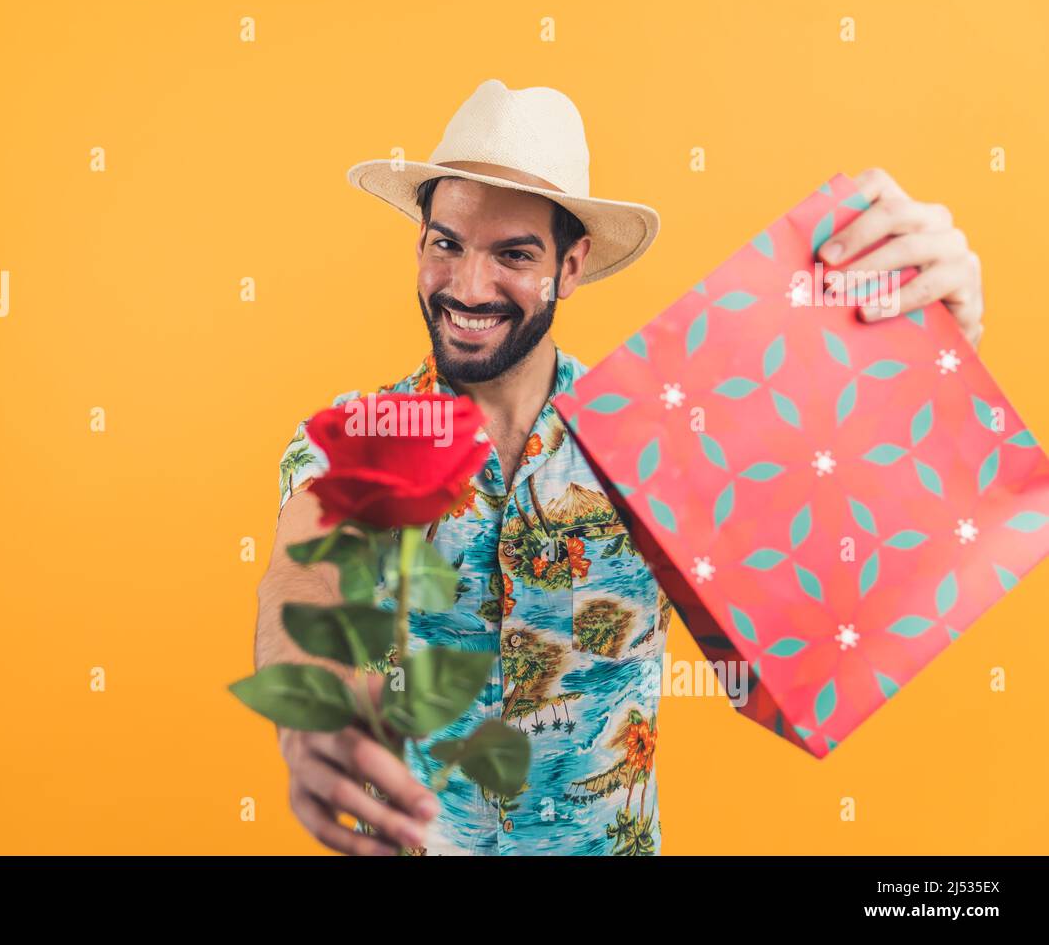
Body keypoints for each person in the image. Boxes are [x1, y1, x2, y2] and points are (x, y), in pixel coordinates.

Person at [255, 79, 986, 856]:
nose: (469, 286)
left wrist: (934, 350)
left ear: (570, 268)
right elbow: (302, 576)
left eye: (514, 254)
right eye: (448, 243)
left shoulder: (659, 445)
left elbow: (832, 535)